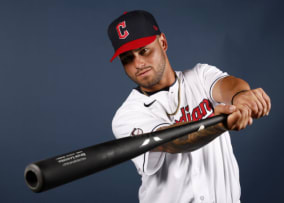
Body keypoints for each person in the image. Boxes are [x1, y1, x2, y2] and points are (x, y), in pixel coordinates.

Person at [107, 10, 271, 203]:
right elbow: (169, 142)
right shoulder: (126, 116)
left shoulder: (200, 76)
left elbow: (230, 85)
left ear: (163, 42)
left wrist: (241, 97)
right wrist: (218, 125)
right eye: (128, 58)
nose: (138, 63)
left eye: (144, 50)